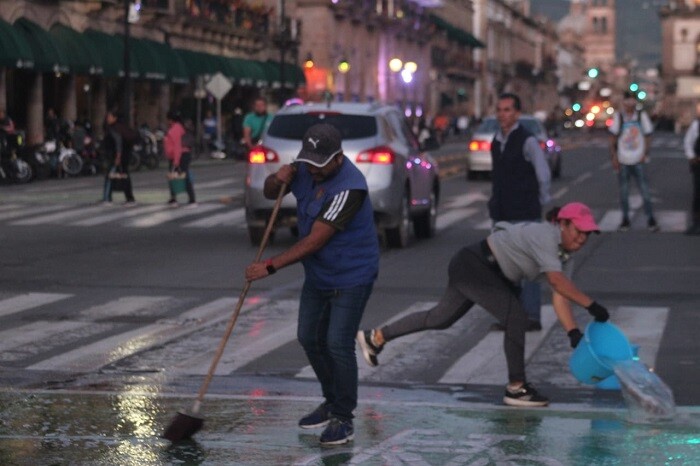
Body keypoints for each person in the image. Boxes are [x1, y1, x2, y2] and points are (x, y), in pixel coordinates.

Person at [357, 202, 610, 408]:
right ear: (562, 224)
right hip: (476, 266)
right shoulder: (546, 236)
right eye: (578, 231)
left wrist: (573, 332)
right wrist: (592, 305)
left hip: (483, 270)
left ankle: (376, 337)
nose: (582, 239)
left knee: (440, 318)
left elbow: (560, 294)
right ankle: (517, 387)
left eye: (587, 234)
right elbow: (557, 281)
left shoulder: (566, 256)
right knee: (516, 317)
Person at [245, 123, 379, 445]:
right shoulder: (305, 169)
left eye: (321, 164)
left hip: (352, 274)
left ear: (338, 158)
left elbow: (316, 240)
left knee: (337, 343)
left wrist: (270, 266)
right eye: (310, 162)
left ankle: (343, 418)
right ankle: (331, 400)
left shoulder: (350, 187)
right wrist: (279, 179)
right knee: (308, 337)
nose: (314, 170)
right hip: (319, 274)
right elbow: (268, 192)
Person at [489, 93, 552, 332]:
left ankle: (532, 316)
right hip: (502, 211)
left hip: (525, 211)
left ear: (516, 114)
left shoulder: (527, 141)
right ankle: (511, 317)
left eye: (507, 110)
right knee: (505, 268)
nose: (502, 115)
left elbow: (543, 172)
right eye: (500, 110)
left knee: (528, 268)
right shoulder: (496, 141)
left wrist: (541, 201)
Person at [609, 91, 659, 232]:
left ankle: (651, 219)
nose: (629, 103)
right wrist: (614, 156)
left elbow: (648, 135)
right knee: (624, 192)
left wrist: (645, 153)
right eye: (627, 100)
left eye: (632, 100)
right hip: (623, 159)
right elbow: (612, 138)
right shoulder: (619, 117)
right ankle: (625, 219)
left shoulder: (641, 117)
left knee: (645, 190)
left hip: (638, 159)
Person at [101, 109, 137, 206]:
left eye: (109, 117)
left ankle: (107, 198)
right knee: (123, 176)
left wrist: (118, 156)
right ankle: (128, 198)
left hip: (118, 156)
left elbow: (118, 143)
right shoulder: (121, 127)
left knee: (112, 176)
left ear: (115, 118)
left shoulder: (114, 129)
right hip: (124, 156)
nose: (107, 119)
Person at [164, 110, 197, 208]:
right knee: (173, 177)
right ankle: (173, 198)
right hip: (180, 155)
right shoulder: (179, 127)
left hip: (180, 156)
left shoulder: (175, 129)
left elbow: (177, 146)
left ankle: (192, 200)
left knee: (183, 176)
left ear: (170, 120)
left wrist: (176, 161)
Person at [682, 102, 700, 235]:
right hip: (698, 165)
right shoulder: (696, 125)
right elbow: (688, 142)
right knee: (698, 195)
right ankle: (696, 223)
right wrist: (692, 157)